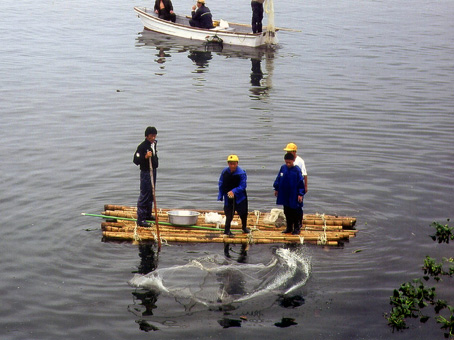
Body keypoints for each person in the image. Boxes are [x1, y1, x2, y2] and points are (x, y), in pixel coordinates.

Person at [218, 155, 250, 236]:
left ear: (237, 163)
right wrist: (221, 195)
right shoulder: (225, 171)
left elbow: (243, 186)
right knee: (229, 213)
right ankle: (227, 230)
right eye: (231, 164)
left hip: (240, 197)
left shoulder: (241, 173)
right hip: (228, 196)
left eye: (234, 164)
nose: (232, 166)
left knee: (243, 213)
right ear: (228, 164)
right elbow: (221, 183)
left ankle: (244, 227)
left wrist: (234, 191)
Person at [273, 152, 305, 235]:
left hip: (294, 194)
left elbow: (301, 183)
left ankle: (297, 228)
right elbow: (278, 179)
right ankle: (289, 227)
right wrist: (276, 188)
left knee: (295, 211)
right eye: (286, 162)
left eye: (289, 162)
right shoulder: (283, 168)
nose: (288, 164)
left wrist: (300, 194)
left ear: (293, 160)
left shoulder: (297, 170)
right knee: (287, 211)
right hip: (284, 193)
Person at [133, 126, 159, 227]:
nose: (153, 138)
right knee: (144, 194)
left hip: (153, 171)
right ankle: (141, 219)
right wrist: (145, 157)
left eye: (154, 136)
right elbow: (135, 160)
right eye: (151, 136)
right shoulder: (142, 147)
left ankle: (148, 214)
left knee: (151, 193)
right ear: (147, 136)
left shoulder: (154, 144)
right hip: (146, 173)